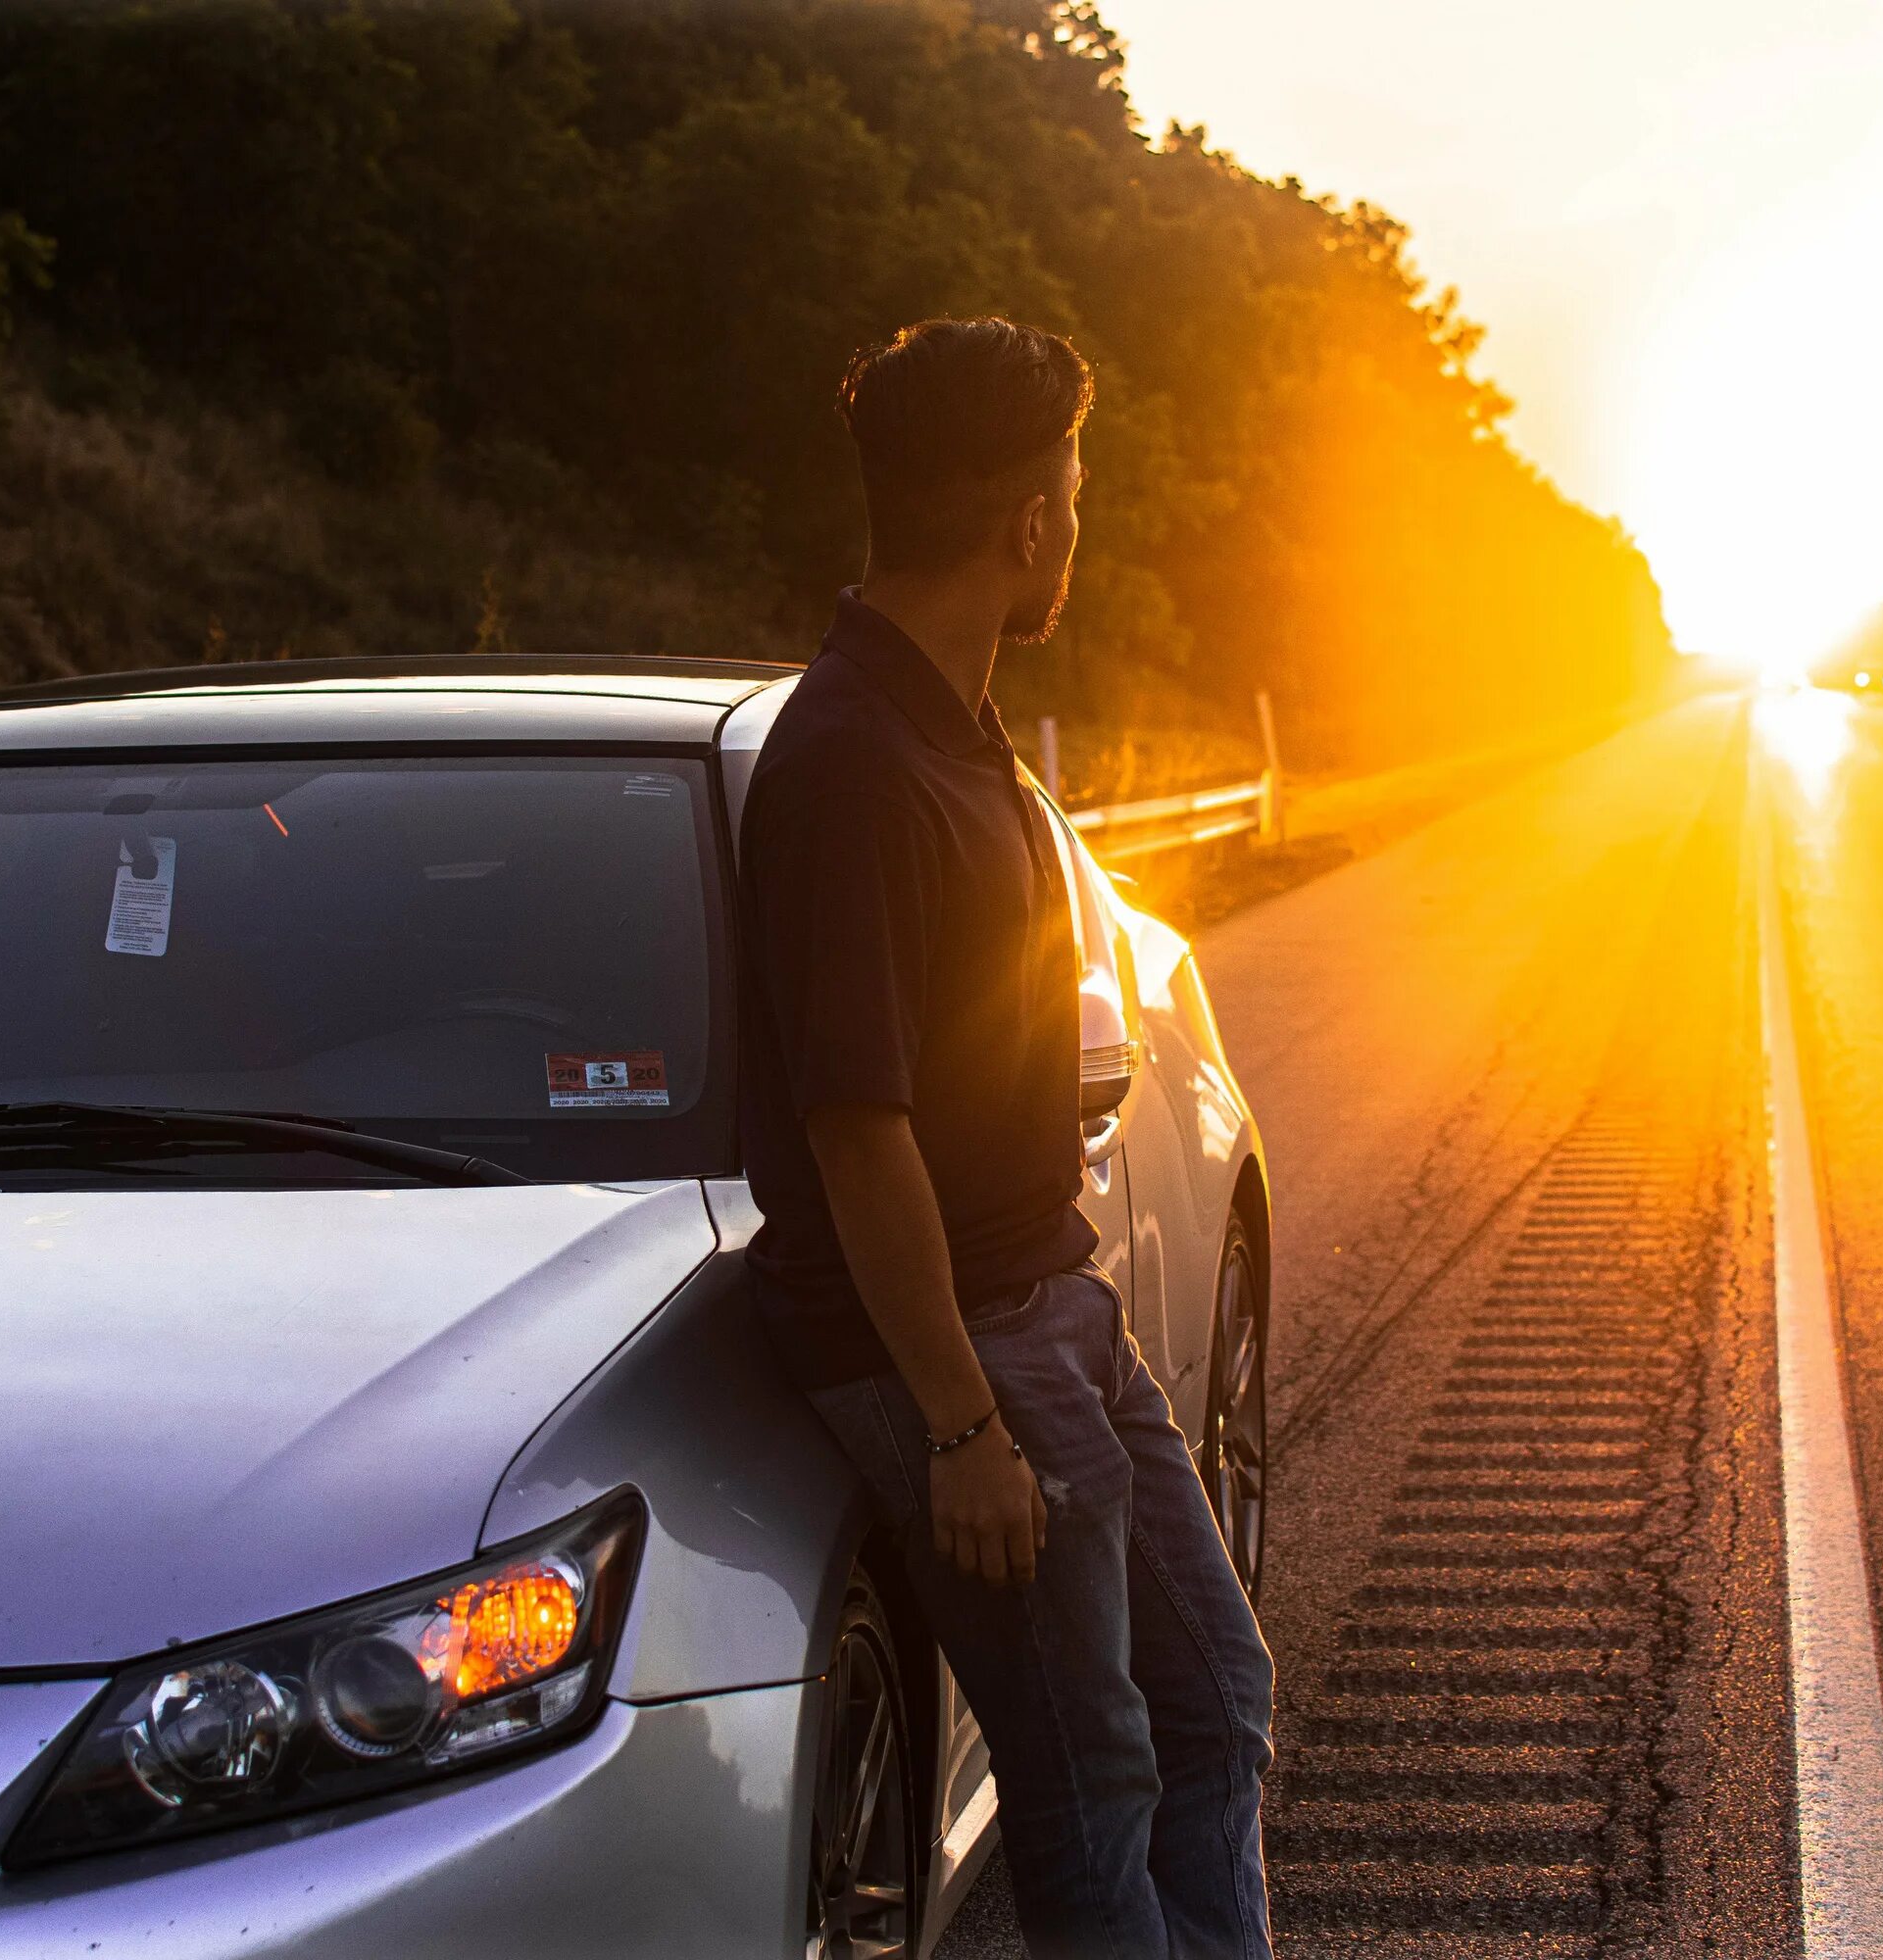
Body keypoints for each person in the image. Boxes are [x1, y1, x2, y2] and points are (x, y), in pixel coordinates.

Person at [737, 317, 1276, 1960]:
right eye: (1076, 494)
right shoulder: (849, 759)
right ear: (1031, 518)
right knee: (1090, 1774)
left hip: (1054, 1306)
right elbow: (855, 1128)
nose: (1078, 532)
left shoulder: (958, 729)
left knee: (1217, 1703)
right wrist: (963, 1426)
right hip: (968, 1348)